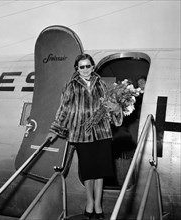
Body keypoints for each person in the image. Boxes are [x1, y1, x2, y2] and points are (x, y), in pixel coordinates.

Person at [46, 54, 123, 219]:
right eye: (82, 67)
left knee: (100, 171)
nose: (85, 70)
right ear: (77, 69)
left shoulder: (102, 84)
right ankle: (89, 202)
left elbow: (111, 108)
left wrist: (116, 109)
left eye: (88, 66)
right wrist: (55, 129)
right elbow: (64, 110)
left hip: (101, 133)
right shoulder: (71, 86)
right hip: (82, 134)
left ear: (93, 67)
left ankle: (98, 205)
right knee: (89, 172)